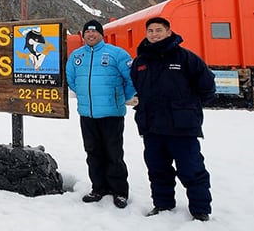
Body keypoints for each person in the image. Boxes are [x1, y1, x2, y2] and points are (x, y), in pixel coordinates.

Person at [130, 17, 216, 222]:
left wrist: (188, 108)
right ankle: (163, 204)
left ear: (169, 32)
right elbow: (138, 87)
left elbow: (207, 86)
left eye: (158, 30)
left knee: (192, 169)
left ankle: (200, 210)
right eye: (150, 31)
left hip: (182, 127)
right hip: (152, 127)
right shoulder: (140, 62)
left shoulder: (186, 58)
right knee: (158, 169)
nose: (154, 34)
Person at [66, 19, 136, 209]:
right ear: (83, 35)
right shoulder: (76, 56)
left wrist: (120, 97)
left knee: (113, 153)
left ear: (101, 34)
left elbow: (132, 79)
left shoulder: (116, 54)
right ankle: (98, 188)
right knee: (93, 152)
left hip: (112, 113)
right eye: (87, 32)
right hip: (87, 114)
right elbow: (72, 80)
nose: (90, 35)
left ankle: (119, 191)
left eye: (94, 32)